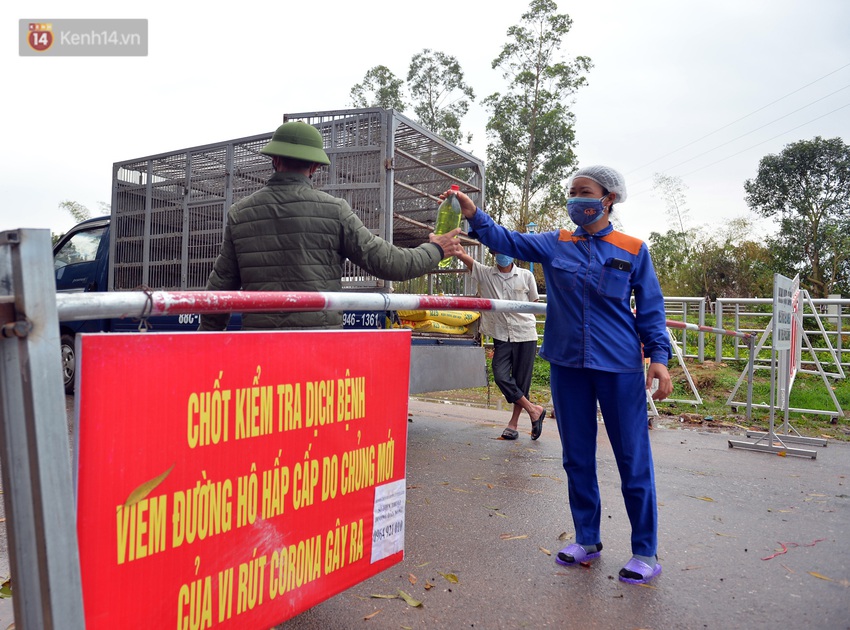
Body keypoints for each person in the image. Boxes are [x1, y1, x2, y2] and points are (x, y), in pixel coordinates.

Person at [442, 165, 673, 585]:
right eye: (571, 192)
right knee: (576, 457)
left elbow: (652, 309)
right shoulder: (556, 243)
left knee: (632, 459)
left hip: (619, 367)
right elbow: (505, 240)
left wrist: (658, 356)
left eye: (584, 191)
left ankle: (644, 550)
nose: (575, 199)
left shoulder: (633, 249)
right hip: (567, 366)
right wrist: (476, 214)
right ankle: (587, 538)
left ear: (609, 199)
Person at [199, 121, 463, 330]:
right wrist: (436, 249)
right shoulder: (334, 211)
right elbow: (390, 264)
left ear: (274, 161)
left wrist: (206, 342)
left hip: (259, 349)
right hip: (319, 349)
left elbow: (219, 290)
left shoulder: (240, 214)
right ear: (314, 166)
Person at [456, 249, 546, 440]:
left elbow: (535, 305)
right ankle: (534, 410)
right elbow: (464, 256)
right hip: (501, 335)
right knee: (500, 375)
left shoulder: (526, 275)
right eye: (498, 252)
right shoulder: (486, 274)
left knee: (522, 381)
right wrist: (449, 244)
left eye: (506, 251)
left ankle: (513, 424)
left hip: (525, 333)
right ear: (493, 254)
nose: (502, 255)